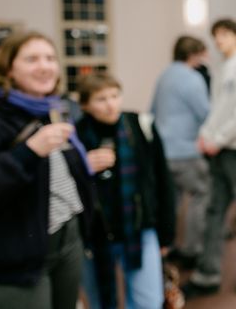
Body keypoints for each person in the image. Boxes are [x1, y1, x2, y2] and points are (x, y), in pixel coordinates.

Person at [0, 31, 93, 309]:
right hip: (11, 257)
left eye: (50, 58)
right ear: (8, 69)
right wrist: (28, 152)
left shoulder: (55, 109)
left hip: (68, 242)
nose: (45, 66)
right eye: (32, 59)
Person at [182, 18, 236, 299]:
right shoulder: (225, 68)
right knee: (214, 209)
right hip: (221, 150)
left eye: (224, 34)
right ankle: (207, 273)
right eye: (216, 35)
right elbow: (219, 110)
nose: (219, 40)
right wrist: (206, 135)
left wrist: (217, 139)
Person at [76, 72, 176, 309]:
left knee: (148, 302)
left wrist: (166, 233)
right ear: (85, 105)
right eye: (101, 99)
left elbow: (163, 180)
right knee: (100, 300)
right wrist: (82, 166)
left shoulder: (140, 125)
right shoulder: (76, 135)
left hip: (139, 227)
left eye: (115, 96)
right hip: (95, 234)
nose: (111, 104)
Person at [151, 35, 210, 269]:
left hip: (163, 151)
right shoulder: (193, 78)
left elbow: (152, 110)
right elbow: (205, 113)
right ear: (193, 54)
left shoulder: (164, 75)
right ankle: (192, 249)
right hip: (185, 150)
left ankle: (168, 244)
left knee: (171, 201)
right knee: (200, 195)